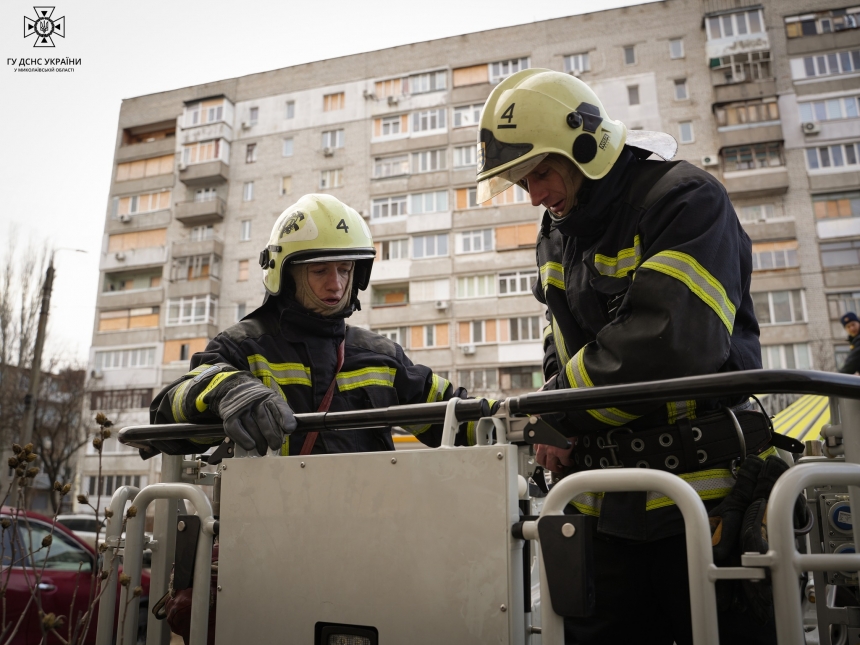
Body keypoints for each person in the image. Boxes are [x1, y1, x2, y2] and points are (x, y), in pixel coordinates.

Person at [476, 69, 777, 643]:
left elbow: (674, 340)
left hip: (705, 502)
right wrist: (552, 416)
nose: (534, 194)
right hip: (599, 509)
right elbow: (560, 340)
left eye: (540, 171)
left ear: (587, 146)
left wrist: (558, 410)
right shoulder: (557, 231)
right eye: (520, 180)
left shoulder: (683, 198)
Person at [150, 194, 478, 457]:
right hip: (267, 528)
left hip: (370, 528)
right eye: (319, 271)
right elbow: (164, 417)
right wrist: (224, 389)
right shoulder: (244, 348)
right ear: (287, 274)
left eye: (345, 269)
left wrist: (519, 418)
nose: (335, 284)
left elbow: (455, 416)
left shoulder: (380, 356)